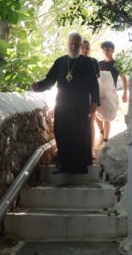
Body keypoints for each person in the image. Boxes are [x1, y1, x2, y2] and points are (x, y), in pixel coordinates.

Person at [32, 33, 99, 174]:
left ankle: (79, 166)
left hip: (81, 104)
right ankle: (62, 164)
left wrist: (94, 101)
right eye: (71, 43)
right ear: (68, 44)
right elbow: (50, 80)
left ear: (81, 45)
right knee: (61, 131)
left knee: (79, 134)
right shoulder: (60, 61)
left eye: (76, 44)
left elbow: (94, 83)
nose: (73, 46)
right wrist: (39, 86)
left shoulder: (88, 62)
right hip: (63, 103)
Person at [96, 41, 128, 144]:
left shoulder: (117, 64)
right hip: (99, 92)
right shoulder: (99, 64)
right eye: (104, 49)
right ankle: (101, 133)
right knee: (96, 113)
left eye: (108, 49)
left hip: (111, 93)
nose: (106, 50)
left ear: (112, 50)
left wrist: (125, 93)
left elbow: (124, 79)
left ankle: (105, 141)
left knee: (108, 117)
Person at [81, 39, 101, 162]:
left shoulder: (93, 61)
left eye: (87, 48)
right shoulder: (72, 61)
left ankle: (91, 149)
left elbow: (95, 79)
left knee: (91, 122)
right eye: (82, 47)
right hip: (76, 96)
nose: (84, 50)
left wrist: (94, 100)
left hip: (89, 95)